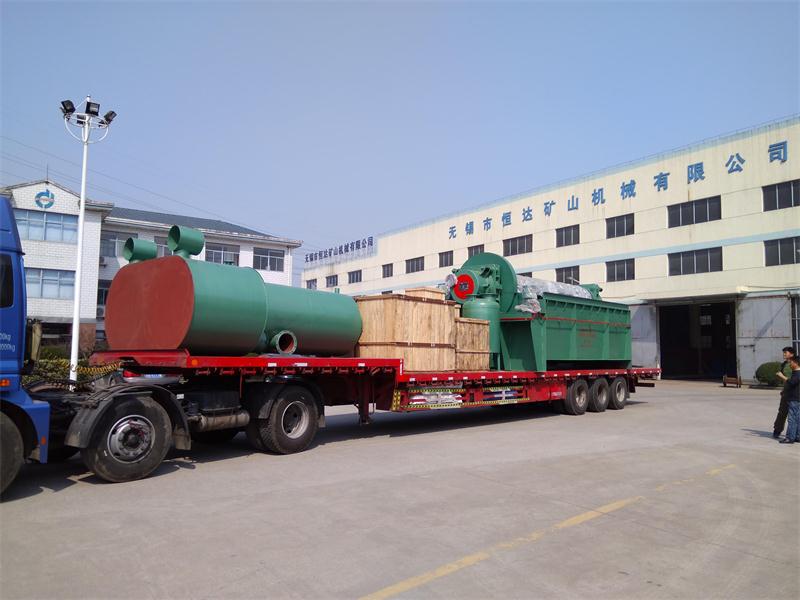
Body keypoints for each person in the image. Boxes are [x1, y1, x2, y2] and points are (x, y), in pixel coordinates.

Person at [773, 347, 796, 438]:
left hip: (795, 391)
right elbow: (784, 379)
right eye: (783, 352)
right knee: (782, 412)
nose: (784, 354)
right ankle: (777, 429)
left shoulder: (797, 363)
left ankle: (795, 434)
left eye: (785, 352)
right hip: (786, 392)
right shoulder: (784, 364)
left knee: (795, 414)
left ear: (792, 354)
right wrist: (783, 389)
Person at [779, 354, 800, 444]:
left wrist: (782, 376)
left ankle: (790, 438)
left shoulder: (798, 373)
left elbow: (792, 382)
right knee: (797, 418)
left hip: (795, 399)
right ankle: (797, 436)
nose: (790, 364)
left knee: (792, 418)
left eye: (791, 362)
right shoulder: (796, 372)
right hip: (796, 398)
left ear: (796, 363)